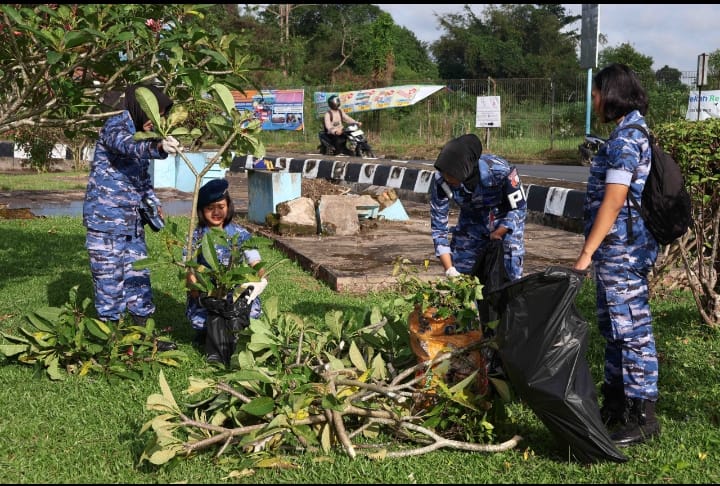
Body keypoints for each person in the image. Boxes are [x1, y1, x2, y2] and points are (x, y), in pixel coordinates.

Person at [571, 63, 660, 447]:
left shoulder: (626, 140)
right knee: (613, 328)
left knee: (632, 331)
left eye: (595, 94)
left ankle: (643, 416)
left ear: (611, 95)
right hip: (616, 250)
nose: (593, 101)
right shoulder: (626, 133)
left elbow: (615, 199)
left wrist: (586, 253)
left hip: (623, 251)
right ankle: (617, 404)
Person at [83, 84, 182, 352]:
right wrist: (158, 145)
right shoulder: (117, 125)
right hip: (106, 222)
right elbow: (127, 145)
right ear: (140, 107)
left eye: (161, 116)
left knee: (138, 278)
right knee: (109, 282)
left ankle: (144, 338)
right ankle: (111, 344)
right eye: (153, 113)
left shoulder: (142, 134)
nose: (156, 121)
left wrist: (152, 202)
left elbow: (142, 180)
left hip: (132, 223)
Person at [185, 178, 267, 361]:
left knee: (249, 314)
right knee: (201, 321)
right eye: (210, 208)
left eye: (221, 207)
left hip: (233, 290)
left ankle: (236, 335)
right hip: (208, 292)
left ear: (229, 206)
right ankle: (205, 333)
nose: (216, 212)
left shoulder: (240, 234)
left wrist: (262, 280)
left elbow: (256, 263)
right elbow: (190, 270)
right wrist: (197, 291)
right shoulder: (196, 237)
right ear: (201, 210)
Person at [430, 133, 527, 283]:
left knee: (507, 277)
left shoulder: (500, 171)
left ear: (465, 168)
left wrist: (499, 232)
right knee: (464, 280)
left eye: (451, 175)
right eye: (445, 174)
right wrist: (449, 270)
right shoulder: (441, 181)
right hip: (471, 224)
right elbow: (438, 228)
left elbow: (518, 208)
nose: (447, 178)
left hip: (504, 222)